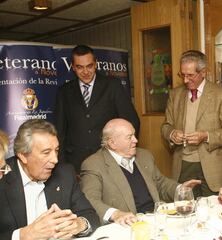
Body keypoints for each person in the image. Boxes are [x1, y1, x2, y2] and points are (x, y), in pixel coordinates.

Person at [80, 118, 200, 225]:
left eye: (134, 135)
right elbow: (90, 200)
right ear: (112, 143)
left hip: (156, 220)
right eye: (129, 137)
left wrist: (180, 189)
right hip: (127, 226)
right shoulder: (94, 164)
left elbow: (160, 183)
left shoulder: (144, 156)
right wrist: (116, 214)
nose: (136, 140)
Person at [0, 119, 99, 240]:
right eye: (46, 152)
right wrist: (23, 235)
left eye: (56, 150)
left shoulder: (64, 174)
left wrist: (78, 224)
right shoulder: (2, 177)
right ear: (23, 155)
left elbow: (90, 214)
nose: (55, 160)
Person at [161, 50, 222, 198]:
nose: (185, 80)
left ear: (203, 72)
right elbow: (166, 126)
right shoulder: (175, 94)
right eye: (182, 75)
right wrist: (172, 134)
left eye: (190, 75)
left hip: (214, 169)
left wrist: (206, 136)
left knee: (215, 213)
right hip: (183, 165)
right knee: (185, 211)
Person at [55, 44, 140, 173]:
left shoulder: (112, 86)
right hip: (76, 164)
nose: (85, 71)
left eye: (89, 66)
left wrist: (124, 153)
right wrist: (62, 165)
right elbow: (59, 131)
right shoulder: (64, 92)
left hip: (109, 160)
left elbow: (131, 121)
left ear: (96, 64)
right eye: (80, 67)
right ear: (73, 67)